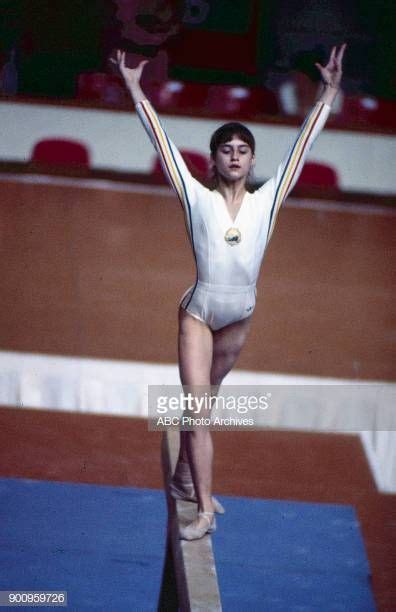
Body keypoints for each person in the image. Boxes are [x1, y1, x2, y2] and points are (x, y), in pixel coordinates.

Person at [114, 43, 346, 540]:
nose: (235, 157)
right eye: (226, 150)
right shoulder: (194, 196)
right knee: (199, 414)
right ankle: (201, 508)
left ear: (252, 158)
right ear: (215, 160)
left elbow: (303, 144)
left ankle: (182, 477)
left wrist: (328, 92)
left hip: (239, 318)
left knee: (207, 404)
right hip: (198, 315)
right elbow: (161, 142)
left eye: (243, 150)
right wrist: (135, 88)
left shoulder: (269, 200)